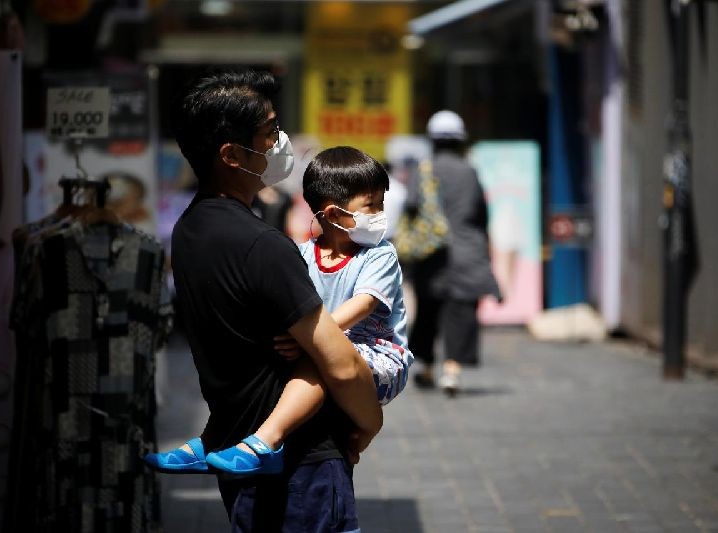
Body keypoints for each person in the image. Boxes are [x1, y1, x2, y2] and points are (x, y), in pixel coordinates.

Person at [149, 70, 383, 531]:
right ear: (232, 155)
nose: (281, 143)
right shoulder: (262, 245)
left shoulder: (190, 231)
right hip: (303, 465)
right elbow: (338, 363)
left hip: (238, 454)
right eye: (270, 132)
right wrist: (368, 424)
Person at [150, 145, 413, 477]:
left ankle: (265, 440)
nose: (379, 214)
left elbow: (365, 303)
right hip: (325, 348)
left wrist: (315, 338)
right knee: (268, 363)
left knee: (321, 359)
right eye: (370, 205)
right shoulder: (301, 254)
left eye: (380, 204)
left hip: (381, 356)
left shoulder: (380, 254)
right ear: (332, 214)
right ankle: (217, 438)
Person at [408, 110, 501, 397]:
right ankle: (452, 370)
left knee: (427, 311)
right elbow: (481, 213)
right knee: (461, 311)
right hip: (466, 252)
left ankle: (425, 367)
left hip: (431, 255)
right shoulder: (469, 171)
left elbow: (410, 205)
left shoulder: (422, 170)